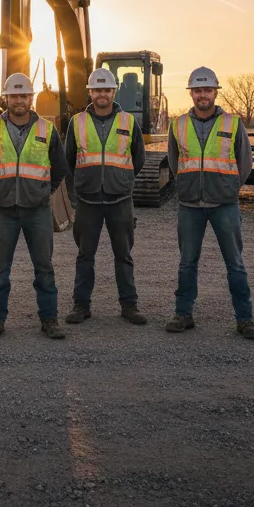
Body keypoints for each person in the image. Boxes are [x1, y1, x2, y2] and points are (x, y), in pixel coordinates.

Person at [164, 67, 254, 339]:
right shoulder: (178, 125)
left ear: (215, 92)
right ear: (191, 93)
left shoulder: (233, 123)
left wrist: (227, 188)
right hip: (190, 205)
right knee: (187, 263)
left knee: (235, 263)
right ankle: (183, 314)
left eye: (207, 90)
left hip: (224, 205)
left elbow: (245, 163)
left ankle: (245, 319)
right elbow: (175, 162)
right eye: (198, 90)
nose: (202, 95)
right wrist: (188, 185)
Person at [0, 72, 68, 339]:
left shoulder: (47, 130)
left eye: (23, 95)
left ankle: (50, 319)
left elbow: (60, 167)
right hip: (4, 211)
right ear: (6, 98)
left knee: (44, 268)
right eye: (13, 96)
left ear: (31, 97)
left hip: (37, 210)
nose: (19, 101)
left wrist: (43, 191)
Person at [63, 68, 148, 326]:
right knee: (85, 255)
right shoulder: (76, 123)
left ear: (114, 91)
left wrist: (121, 181)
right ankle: (81, 305)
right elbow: (67, 161)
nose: (102, 94)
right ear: (90, 92)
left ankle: (129, 305)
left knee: (123, 255)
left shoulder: (128, 122)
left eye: (106, 90)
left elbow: (138, 159)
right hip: (88, 202)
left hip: (119, 201)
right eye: (97, 90)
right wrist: (78, 191)